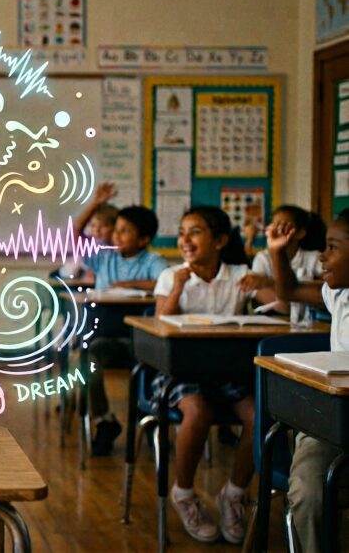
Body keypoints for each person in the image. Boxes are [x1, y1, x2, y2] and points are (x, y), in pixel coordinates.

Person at [153, 205, 276, 544]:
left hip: (228, 371)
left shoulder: (239, 274)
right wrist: (178, 287)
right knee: (198, 411)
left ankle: (234, 493)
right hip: (180, 372)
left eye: (195, 232)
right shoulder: (171, 275)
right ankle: (183, 492)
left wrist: (265, 281)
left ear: (220, 240)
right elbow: (160, 323)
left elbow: (280, 304)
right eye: (181, 233)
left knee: (259, 415)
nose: (185, 240)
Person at [268, 208, 349, 551]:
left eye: (332, 247)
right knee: (307, 489)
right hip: (330, 423)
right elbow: (288, 291)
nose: (322, 255)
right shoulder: (338, 293)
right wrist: (276, 253)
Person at [73, 185, 169, 455]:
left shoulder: (152, 260)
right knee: (85, 361)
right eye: (116, 229)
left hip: (143, 340)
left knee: (157, 362)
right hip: (106, 337)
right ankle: (104, 420)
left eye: (125, 231)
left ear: (143, 239)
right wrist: (95, 203)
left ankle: (146, 415)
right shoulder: (105, 257)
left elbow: (166, 281)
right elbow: (74, 235)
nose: (116, 234)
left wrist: (131, 283)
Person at [241, 204, 326, 314]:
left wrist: (269, 282)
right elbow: (259, 291)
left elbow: (326, 286)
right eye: (274, 225)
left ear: (300, 233)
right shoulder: (263, 258)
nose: (277, 230)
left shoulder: (313, 257)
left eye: (284, 225)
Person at [60, 183, 118, 282]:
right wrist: (95, 203)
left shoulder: (118, 248)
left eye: (104, 226)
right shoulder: (86, 244)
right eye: (92, 225)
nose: (97, 230)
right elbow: (77, 227)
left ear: (116, 228)